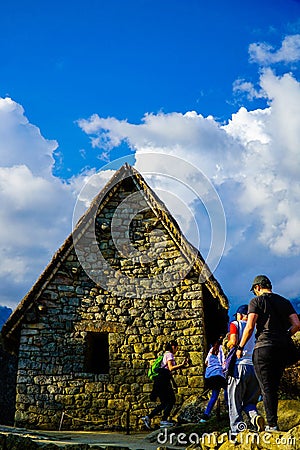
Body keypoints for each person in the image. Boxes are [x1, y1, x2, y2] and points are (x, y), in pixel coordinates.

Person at [237, 275, 300, 431]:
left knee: (266, 388)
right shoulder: (285, 302)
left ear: (258, 287)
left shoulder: (256, 301)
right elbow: (297, 324)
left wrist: (240, 346)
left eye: (254, 291)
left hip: (264, 348)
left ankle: (272, 425)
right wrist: (285, 335)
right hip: (282, 349)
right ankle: (273, 422)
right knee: (274, 386)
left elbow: (250, 326)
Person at [227, 304, 264, 436]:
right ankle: (255, 417)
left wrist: (228, 343)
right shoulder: (257, 328)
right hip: (255, 368)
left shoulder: (235, 324)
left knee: (234, 401)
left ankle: (236, 432)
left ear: (240, 315)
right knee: (250, 401)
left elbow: (233, 341)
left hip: (239, 366)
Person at [141, 340, 189, 429]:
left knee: (164, 402)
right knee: (171, 400)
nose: (177, 350)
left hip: (160, 380)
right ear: (173, 347)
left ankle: (148, 417)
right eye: (177, 348)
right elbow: (170, 368)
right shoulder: (169, 354)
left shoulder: (165, 354)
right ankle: (163, 420)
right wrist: (181, 365)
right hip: (164, 381)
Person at [199, 337, 228, 423]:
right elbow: (223, 362)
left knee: (214, 396)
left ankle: (205, 415)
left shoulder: (211, 350)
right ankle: (228, 407)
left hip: (209, 375)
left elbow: (206, 362)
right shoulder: (222, 349)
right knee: (227, 389)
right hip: (218, 374)